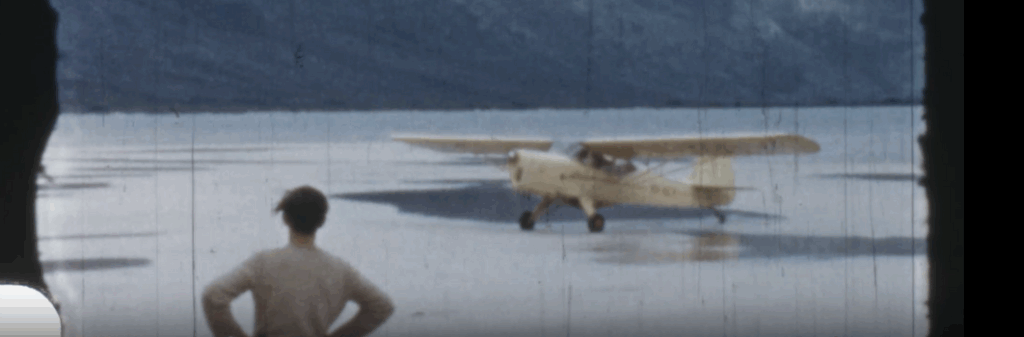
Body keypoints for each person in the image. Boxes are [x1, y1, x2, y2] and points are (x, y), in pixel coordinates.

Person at [202, 185, 395, 337]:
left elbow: (213, 295)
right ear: (322, 222)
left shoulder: (262, 262)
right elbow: (382, 306)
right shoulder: (341, 270)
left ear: (285, 219)